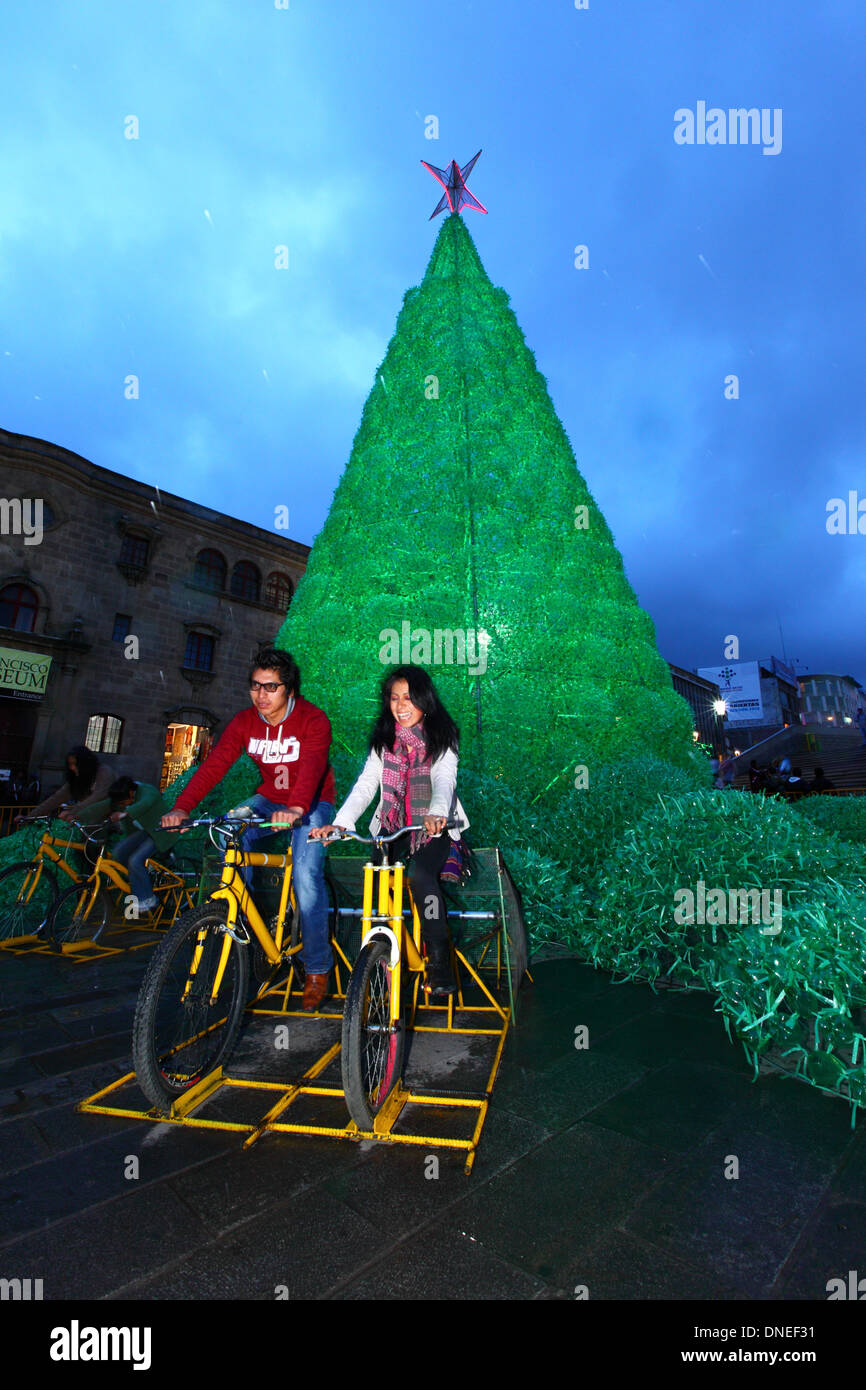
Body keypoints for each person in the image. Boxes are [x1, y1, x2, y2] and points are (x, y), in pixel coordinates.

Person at [161, 648, 336, 1011]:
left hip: (313, 802)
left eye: (271, 687)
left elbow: (314, 767)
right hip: (269, 800)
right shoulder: (244, 722)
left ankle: (318, 968)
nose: (261, 695)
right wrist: (182, 808)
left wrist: (298, 807)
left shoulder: (313, 719)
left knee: (306, 875)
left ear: (289, 689)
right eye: (255, 686)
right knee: (229, 833)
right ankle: (239, 928)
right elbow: (214, 765)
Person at [311, 665, 469, 996]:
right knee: (378, 884)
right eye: (394, 698)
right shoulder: (384, 739)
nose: (401, 706)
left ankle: (439, 962)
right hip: (391, 826)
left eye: (409, 698)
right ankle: (379, 954)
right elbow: (367, 784)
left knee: (422, 878)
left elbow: (444, 779)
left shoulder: (444, 735)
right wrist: (342, 823)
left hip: (433, 827)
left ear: (424, 699)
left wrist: (438, 814)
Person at [86, 776, 173, 914]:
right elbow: (102, 806)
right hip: (145, 831)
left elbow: (145, 803)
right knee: (119, 851)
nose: (122, 805)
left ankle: (148, 898)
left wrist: (125, 813)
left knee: (135, 860)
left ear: (131, 794)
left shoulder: (147, 791)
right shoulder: (124, 796)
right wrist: (74, 815)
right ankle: (139, 879)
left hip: (160, 832)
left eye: (124, 803)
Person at [17, 745, 114, 826]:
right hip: (86, 823)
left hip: (108, 824)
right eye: (69, 764)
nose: (71, 767)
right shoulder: (77, 778)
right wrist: (29, 817)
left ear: (85, 763)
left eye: (75, 764)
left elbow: (98, 797)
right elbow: (56, 798)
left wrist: (73, 812)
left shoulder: (104, 772)